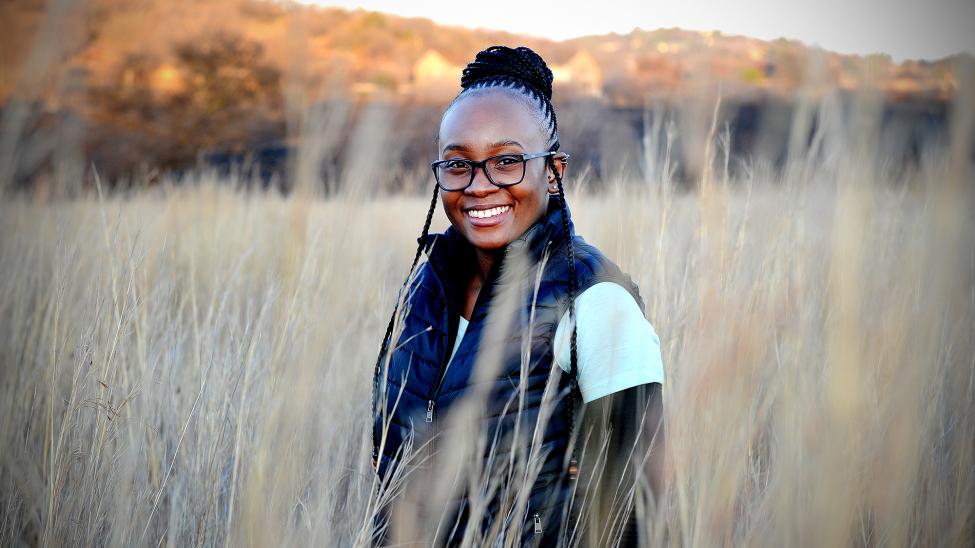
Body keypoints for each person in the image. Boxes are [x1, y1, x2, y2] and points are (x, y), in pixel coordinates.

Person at [371, 45, 665, 547]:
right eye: (458, 164)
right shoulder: (424, 291)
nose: (480, 186)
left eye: (507, 161)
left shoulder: (598, 301)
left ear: (553, 172)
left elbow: (632, 518)